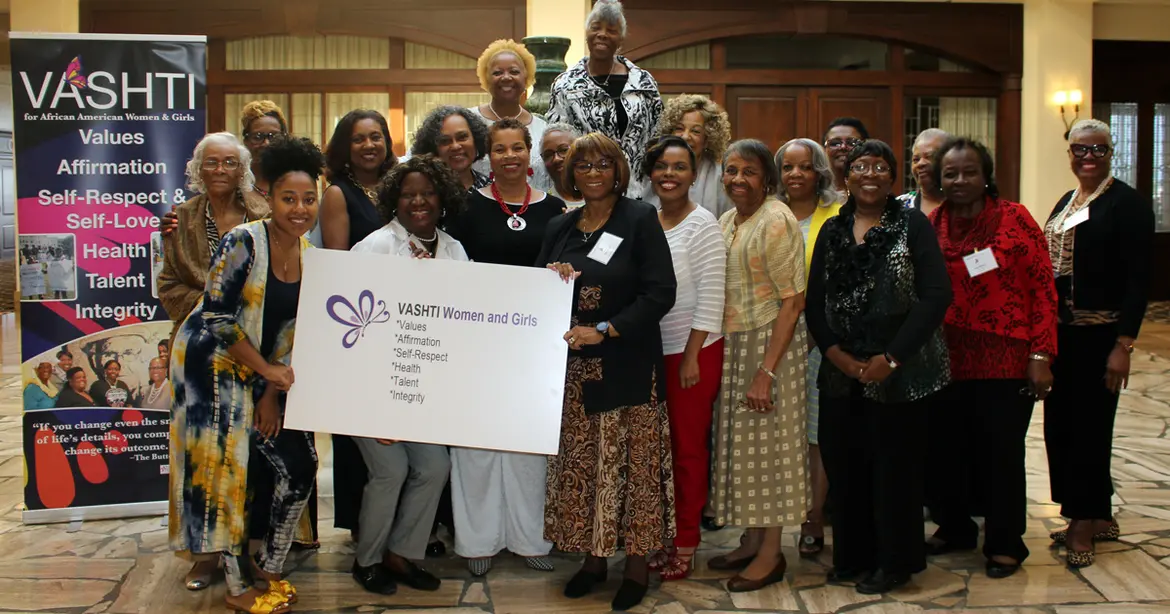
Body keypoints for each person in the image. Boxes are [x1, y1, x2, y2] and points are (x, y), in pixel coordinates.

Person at [169, 136, 325, 614]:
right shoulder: (243, 241)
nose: (299, 209)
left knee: (300, 463)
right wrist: (267, 374)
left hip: (257, 371)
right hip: (207, 366)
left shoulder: (309, 256)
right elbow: (216, 318)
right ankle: (237, 588)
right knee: (225, 474)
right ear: (269, 198)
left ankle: (270, 566)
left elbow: (287, 335)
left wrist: (269, 395)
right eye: (288, 198)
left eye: (309, 199)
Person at [806, 139, 952, 595]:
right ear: (845, 177)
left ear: (892, 178)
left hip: (902, 372)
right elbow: (815, 300)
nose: (869, 174)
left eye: (880, 167)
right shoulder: (832, 229)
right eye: (860, 167)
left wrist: (891, 359)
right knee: (846, 467)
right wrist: (835, 355)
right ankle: (852, 558)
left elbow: (935, 296)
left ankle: (895, 563)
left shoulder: (914, 225)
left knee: (894, 472)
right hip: (841, 371)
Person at [539, 132, 676, 611]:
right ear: (570, 174)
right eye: (583, 165)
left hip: (627, 365)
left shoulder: (640, 219)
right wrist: (553, 277)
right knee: (583, 469)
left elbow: (660, 293)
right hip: (575, 374)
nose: (593, 172)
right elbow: (537, 292)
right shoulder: (560, 224)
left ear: (618, 171)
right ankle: (594, 561)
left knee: (631, 470)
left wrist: (607, 329)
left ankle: (636, 567)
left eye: (602, 164)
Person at [922, 137, 1057, 579]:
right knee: (945, 450)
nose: (960, 180)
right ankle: (956, 525)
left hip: (1005, 360)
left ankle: (1004, 542)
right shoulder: (930, 224)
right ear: (938, 179)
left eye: (969, 172)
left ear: (986, 176)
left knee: (999, 453)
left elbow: (1043, 290)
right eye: (950, 173)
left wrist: (1041, 352)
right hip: (945, 359)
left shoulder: (1015, 220)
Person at [444, 119, 564, 576]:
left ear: (529, 153)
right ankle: (477, 541)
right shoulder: (464, 207)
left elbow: (563, 265)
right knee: (474, 444)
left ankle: (529, 536)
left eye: (517, 148)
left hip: (533, 346)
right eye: (499, 149)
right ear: (487, 156)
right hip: (475, 342)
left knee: (526, 444)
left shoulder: (555, 209)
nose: (509, 156)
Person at [344, 155, 463, 595]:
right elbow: (355, 329)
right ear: (394, 198)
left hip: (420, 389)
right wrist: (378, 408)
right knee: (391, 470)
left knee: (435, 466)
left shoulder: (454, 250)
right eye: (408, 193)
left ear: (442, 198)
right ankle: (368, 559)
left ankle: (402, 553)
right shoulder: (374, 247)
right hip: (372, 389)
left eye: (427, 192)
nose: (418, 201)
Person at [1043, 119, 1154, 568]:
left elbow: (1139, 278)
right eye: (1079, 150)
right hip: (1062, 334)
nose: (1088, 157)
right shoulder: (1067, 201)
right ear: (1069, 154)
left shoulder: (1126, 204)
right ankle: (1098, 511)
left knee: (1089, 428)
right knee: (1062, 426)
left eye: (1098, 150)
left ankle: (1083, 523)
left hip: (1100, 334)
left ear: (1111, 153)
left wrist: (1123, 344)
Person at [705, 139, 808, 592]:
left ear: (767, 178)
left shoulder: (777, 218)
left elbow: (793, 300)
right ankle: (750, 540)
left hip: (771, 346)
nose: (737, 180)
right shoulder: (729, 220)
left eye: (749, 172)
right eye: (731, 171)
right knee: (744, 452)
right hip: (737, 342)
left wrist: (766, 371)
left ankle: (771, 555)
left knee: (771, 454)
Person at [639, 135, 725, 580]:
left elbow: (712, 296)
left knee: (688, 451)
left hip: (694, 353)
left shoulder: (703, 223)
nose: (668, 175)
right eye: (661, 167)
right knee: (659, 454)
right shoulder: (644, 220)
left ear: (693, 175)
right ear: (650, 174)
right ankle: (662, 535)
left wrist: (692, 356)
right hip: (652, 353)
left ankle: (686, 542)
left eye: (679, 167)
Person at [316, 109, 397, 539]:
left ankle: (401, 525)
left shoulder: (400, 185)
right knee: (361, 428)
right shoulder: (337, 193)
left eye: (377, 137)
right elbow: (339, 265)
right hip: (362, 322)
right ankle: (362, 525)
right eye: (359, 138)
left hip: (402, 321)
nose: (369, 145)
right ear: (345, 146)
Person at [773, 137, 842, 558]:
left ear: (820, 171)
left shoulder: (836, 214)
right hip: (773, 340)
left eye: (804, 166)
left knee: (816, 436)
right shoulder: (770, 213)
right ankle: (768, 525)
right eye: (787, 167)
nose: (795, 174)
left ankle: (813, 518)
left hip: (821, 342)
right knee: (781, 435)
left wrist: (818, 330)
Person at [159, 132, 270, 344]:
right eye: (211, 162)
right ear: (199, 170)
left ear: (241, 171)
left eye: (230, 163)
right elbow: (168, 286)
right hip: (196, 339)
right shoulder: (180, 219)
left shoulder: (265, 217)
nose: (220, 170)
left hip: (256, 337)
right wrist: (212, 305)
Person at [546, 0, 662, 200]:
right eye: (596, 27)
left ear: (621, 39)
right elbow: (558, 141)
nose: (602, 34)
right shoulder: (565, 85)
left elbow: (658, 136)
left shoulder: (644, 82)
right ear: (586, 33)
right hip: (588, 192)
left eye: (611, 30)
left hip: (641, 194)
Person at [644, 95, 732, 217]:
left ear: (707, 139)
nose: (685, 136)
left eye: (695, 131)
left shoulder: (720, 177)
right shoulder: (654, 168)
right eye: (679, 128)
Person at [471, 39, 547, 180]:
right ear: (486, 79)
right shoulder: (468, 121)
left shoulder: (542, 129)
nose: (506, 77)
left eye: (514, 71)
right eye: (497, 73)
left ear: (526, 77)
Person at [411, 105, 491, 192]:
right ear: (433, 148)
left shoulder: (491, 189)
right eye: (445, 141)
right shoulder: (423, 191)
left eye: (462, 137)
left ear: (476, 140)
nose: (455, 146)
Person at [240, 100, 289, 198]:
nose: (266, 143)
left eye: (273, 136)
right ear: (246, 141)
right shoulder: (237, 182)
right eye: (258, 136)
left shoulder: (295, 178)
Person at [898, 129, 949, 215]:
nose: (920, 163)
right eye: (916, 159)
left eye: (929, 157)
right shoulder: (898, 206)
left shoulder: (964, 205)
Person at [537, 123, 583, 207]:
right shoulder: (543, 205)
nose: (556, 159)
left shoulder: (604, 196)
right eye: (548, 155)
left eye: (564, 150)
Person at [823, 117, 869, 192]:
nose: (843, 147)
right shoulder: (813, 196)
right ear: (824, 149)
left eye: (852, 142)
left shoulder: (875, 195)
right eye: (835, 143)